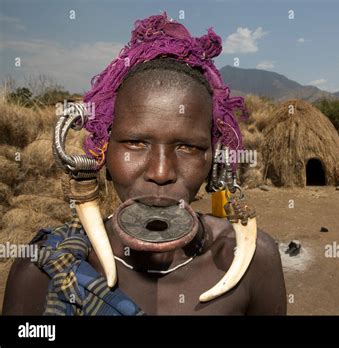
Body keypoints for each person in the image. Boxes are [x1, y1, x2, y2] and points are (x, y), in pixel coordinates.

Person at [2, 12, 286, 315]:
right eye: (135, 143)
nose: (161, 172)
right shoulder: (43, 273)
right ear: (102, 151)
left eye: (187, 147)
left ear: (213, 158)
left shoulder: (252, 262)